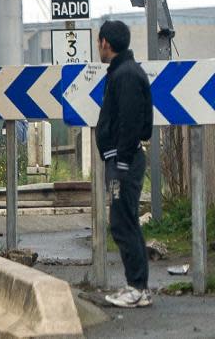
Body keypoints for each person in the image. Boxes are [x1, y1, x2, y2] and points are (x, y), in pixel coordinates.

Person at [96, 20, 153, 308]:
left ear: (106, 42)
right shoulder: (123, 72)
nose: (98, 48)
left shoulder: (125, 75)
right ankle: (138, 287)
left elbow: (130, 122)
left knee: (122, 223)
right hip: (123, 160)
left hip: (123, 162)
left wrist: (120, 160)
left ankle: (137, 288)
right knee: (127, 221)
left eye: (99, 42)